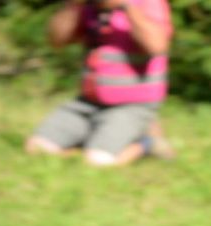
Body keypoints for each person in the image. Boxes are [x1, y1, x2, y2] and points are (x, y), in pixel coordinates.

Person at [24, 0, 174, 166]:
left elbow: (157, 46)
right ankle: (96, 142)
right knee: (36, 148)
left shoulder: (150, 3)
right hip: (88, 104)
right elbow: (57, 40)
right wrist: (74, 5)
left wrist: (125, 6)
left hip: (132, 105)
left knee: (98, 161)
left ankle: (147, 143)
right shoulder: (89, 6)